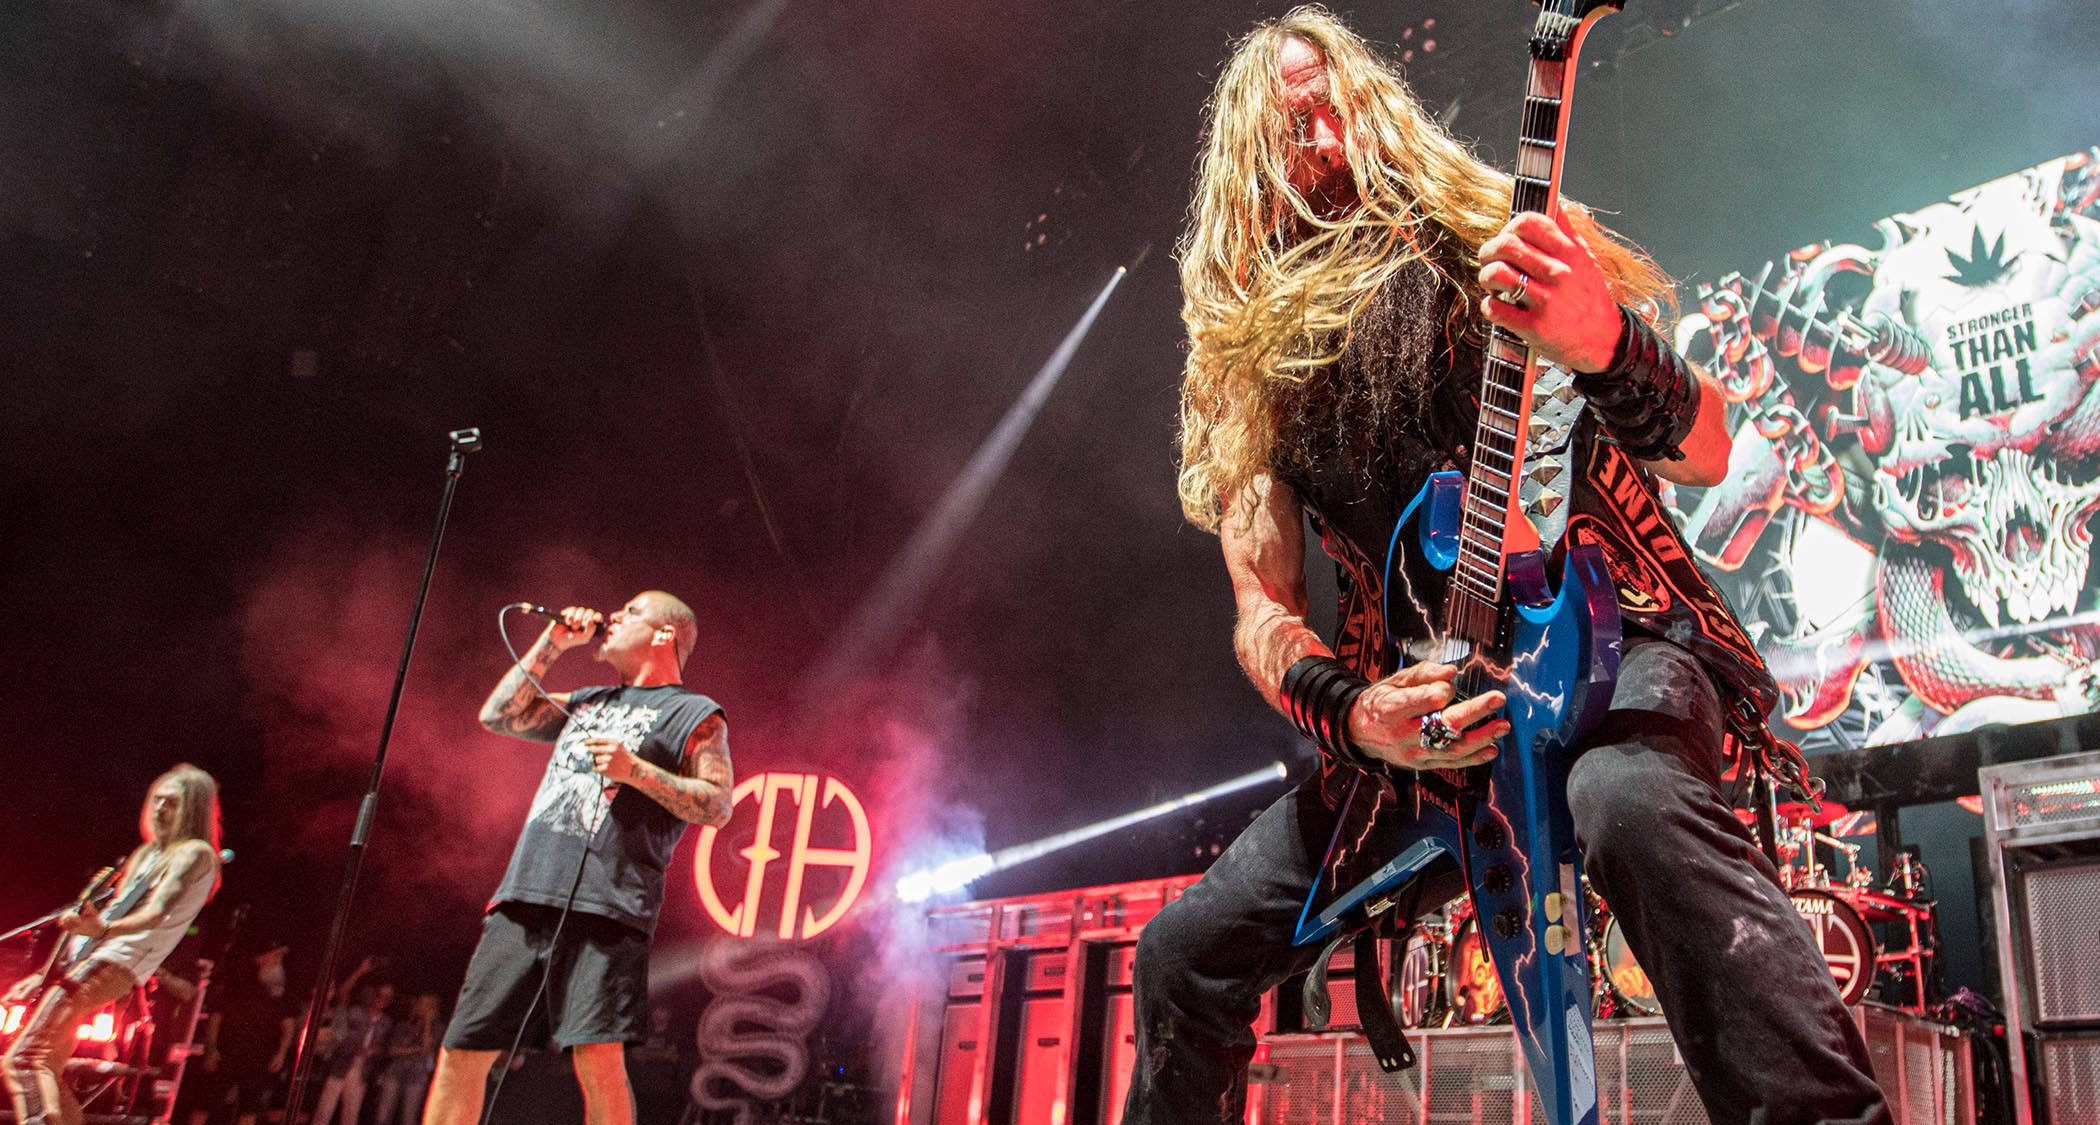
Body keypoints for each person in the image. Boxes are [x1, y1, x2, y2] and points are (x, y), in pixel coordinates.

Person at [1128, 9, 1891, 1125]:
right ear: (1250, 159)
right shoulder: (1254, 368)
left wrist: (1603, 340)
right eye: (1297, 125)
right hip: (1430, 720)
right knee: (1181, 956)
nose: (1330, 137)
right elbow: (1263, 607)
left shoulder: (1489, 236)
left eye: (1342, 104)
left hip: (1612, 642)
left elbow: (1708, 450)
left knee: (1625, 801)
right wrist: (1356, 712)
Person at [424, 590, 732, 1125]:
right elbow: (498, 715)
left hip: (607, 906)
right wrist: (554, 641)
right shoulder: (588, 700)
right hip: (525, 895)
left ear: (665, 635)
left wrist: (634, 771)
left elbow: (717, 804)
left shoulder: (695, 714)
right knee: (464, 1049)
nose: (613, 617)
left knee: (597, 1060)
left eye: (631, 612)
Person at [3, 765, 224, 1125]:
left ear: (194, 809)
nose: (159, 809)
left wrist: (102, 928)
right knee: (47, 1067)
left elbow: (157, 912)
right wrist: (46, 974)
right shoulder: (146, 855)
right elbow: (92, 924)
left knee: (25, 1059)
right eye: (157, 800)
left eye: (172, 803)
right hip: (92, 962)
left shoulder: (194, 853)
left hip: (116, 964)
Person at [312, 972, 392, 1125]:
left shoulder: (386, 1023)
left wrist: (376, 1050)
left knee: (351, 1114)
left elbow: (384, 1048)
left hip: (362, 1071)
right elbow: (339, 1036)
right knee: (324, 1110)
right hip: (341, 1066)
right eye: (381, 995)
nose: (383, 999)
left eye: (388, 997)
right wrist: (354, 1049)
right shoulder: (355, 1013)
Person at [372, 995, 444, 1125]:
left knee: (408, 1117)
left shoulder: (437, 1028)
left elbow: (427, 1050)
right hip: (395, 1071)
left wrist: (427, 1023)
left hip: (418, 1075)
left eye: (427, 1005)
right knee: (383, 1115)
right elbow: (392, 1050)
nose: (422, 1008)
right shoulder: (404, 1024)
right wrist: (414, 1050)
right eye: (421, 1003)